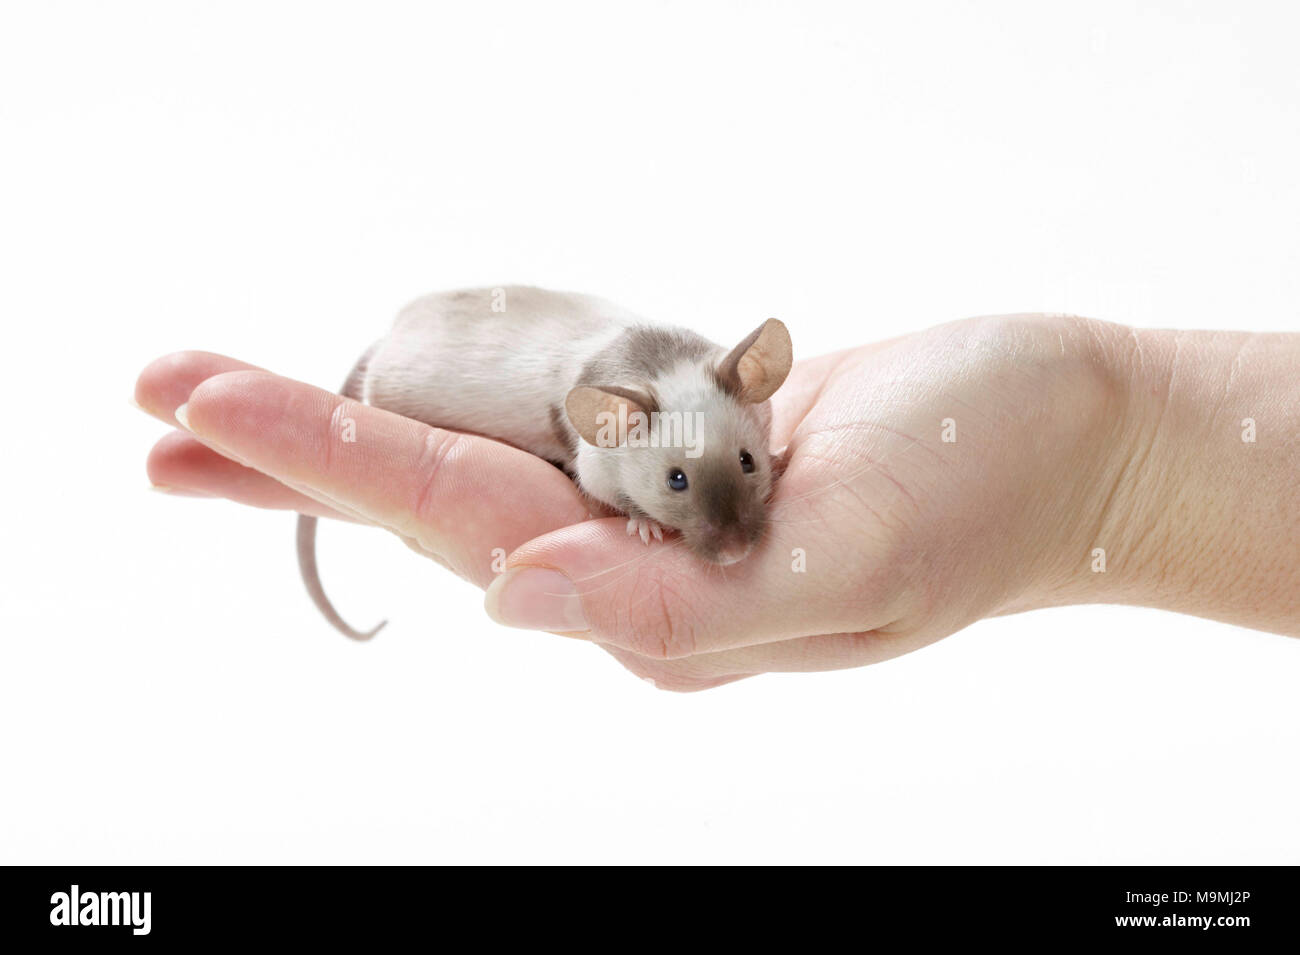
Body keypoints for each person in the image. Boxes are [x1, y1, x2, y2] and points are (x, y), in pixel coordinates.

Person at [133, 313, 1300, 691]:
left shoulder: (718, 403)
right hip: (428, 363)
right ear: (625, 436)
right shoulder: (625, 430)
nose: (733, 520)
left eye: (748, 472)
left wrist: (1117, 438)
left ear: (760, 401)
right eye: (684, 493)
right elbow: (601, 464)